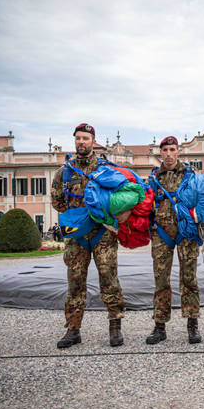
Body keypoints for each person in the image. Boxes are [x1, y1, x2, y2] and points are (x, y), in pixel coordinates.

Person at [51, 123, 125, 349]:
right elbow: (57, 201)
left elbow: (119, 197)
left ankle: (115, 327)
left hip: (103, 235)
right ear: (75, 141)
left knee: (109, 280)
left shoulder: (106, 168)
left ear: (93, 141)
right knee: (75, 283)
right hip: (76, 237)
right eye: (78, 138)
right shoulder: (64, 172)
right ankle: (73, 330)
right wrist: (79, 219)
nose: (81, 142)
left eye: (85, 138)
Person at [145, 136, 201, 345]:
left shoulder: (191, 175)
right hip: (161, 234)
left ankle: (192, 324)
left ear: (179, 152)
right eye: (165, 150)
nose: (168, 154)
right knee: (161, 281)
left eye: (172, 150)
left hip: (186, 233)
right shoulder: (153, 178)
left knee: (189, 280)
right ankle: (160, 326)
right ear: (160, 153)